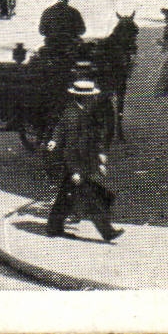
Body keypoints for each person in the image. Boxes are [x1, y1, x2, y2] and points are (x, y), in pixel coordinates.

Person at [44, 74, 123, 242]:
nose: (94, 98)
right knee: (92, 198)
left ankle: (53, 226)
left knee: (66, 198)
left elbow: (93, 138)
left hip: (82, 163)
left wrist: (100, 159)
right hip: (75, 165)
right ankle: (107, 232)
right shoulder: (73, 115)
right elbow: (70, 147)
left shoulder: (84, 111)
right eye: (92, 96)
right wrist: (74, 171)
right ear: (85, 97)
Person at [36, 0, 87, 70]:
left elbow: (42, 31)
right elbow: (82, 30)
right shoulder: (74, 12)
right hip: (69, 46)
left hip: (52, 46)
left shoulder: (48, 12)